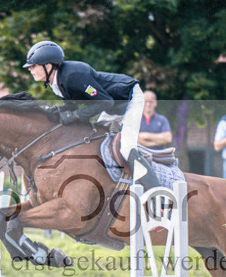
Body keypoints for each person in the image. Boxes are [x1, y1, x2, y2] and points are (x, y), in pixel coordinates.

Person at [22, 40, 159, 188]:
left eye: (33, 66)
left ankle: (156, 190)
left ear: (48, 66)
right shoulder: (56, 82)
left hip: (129, 98)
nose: (30, 69)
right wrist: (53, 112)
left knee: (126, 148)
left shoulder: (73, 75)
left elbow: (105, 102)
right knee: (96, 142)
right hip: (113, 106)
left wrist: (76, 116)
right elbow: (71, 105)